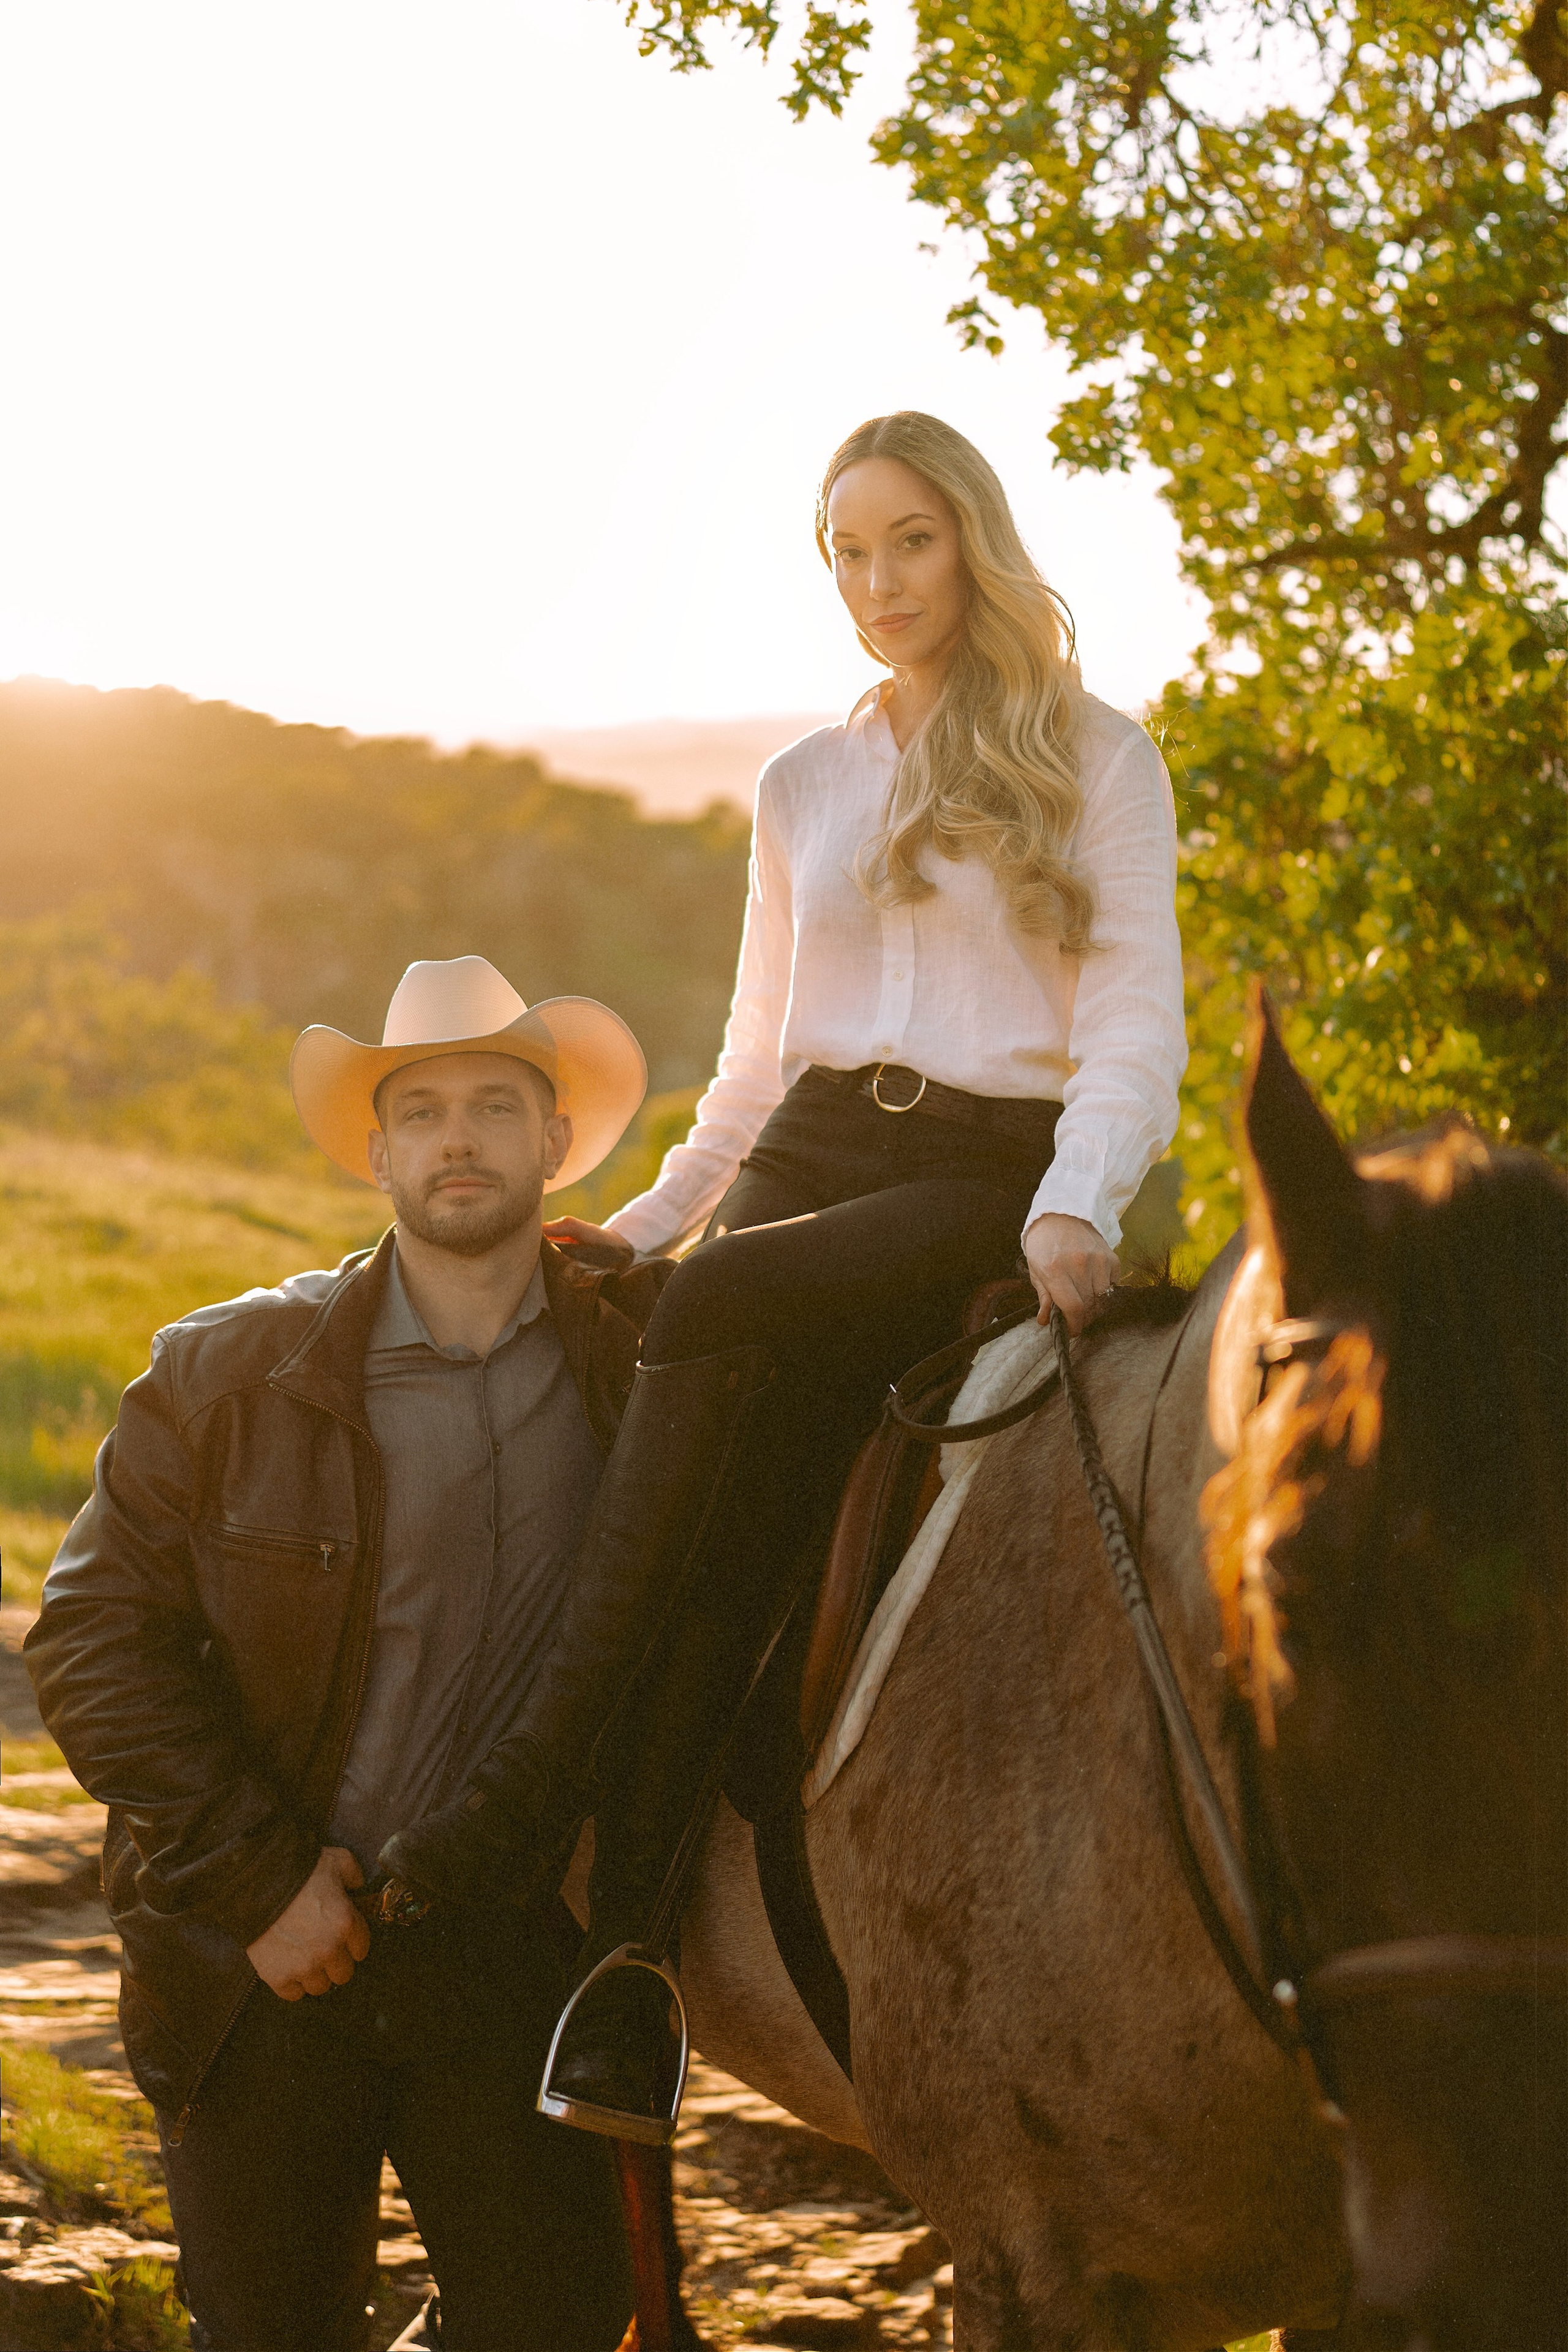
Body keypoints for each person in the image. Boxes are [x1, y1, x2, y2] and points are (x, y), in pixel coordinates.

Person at [382, 410, 1189, 2141]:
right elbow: (757, 1057)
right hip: (815, 1154)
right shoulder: (803, 783)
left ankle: (534, 1789)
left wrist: (1074, 1201)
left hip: (981, 1176)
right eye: (847, 549)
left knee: (717, 1323)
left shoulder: (1102, 755)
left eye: (910, 540)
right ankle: (632, 1970)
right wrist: (663, 1211)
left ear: (972, 541)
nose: (879, 581)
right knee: (700, 1449)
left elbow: (1133, 1023)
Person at [24, 955, 657, 2352]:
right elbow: (92, 1642)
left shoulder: (638, 1376)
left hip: (506, 1958)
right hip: (262, 1964)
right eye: (420, 1109)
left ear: (554, 1144)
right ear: (374, 1150)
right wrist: (258, 1885)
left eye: (496, 1105)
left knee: (557, 2318)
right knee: (271, 2328)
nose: (457, 1139)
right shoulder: (227, 1376)